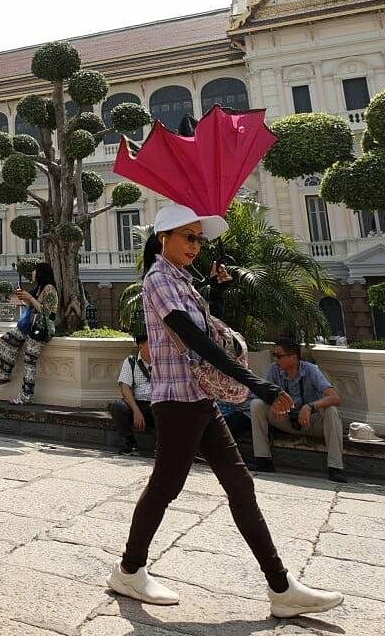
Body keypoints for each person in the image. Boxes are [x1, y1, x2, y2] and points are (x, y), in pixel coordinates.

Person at [107, 204, 343, 619]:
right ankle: (129, 569)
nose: (195, 246)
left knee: (239, 484)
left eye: (199, 238)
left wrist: (214, 291)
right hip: (178, 401)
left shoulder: (183, 281)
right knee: (166, 487)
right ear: (164, 238)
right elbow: (194, 340)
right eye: (188, 237)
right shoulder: (159, 279)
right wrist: (258, 384)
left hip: (199, 398)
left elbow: (204, 327)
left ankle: (280, 586)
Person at [251, 338, 346, 483]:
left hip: (310, 422)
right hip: (286, 419)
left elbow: (335, 398)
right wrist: (274, 403)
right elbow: (264, 394)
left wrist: (310, 407)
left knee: (331, 411)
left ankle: (336, 467)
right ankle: (263, 459)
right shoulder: (273, 369)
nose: (275, 359)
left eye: (279, 356)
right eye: (273, 356)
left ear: (293, 357)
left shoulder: (311, 370)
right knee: (257, 404)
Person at [0, 263, 58, 404]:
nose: (32, 273)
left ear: (41, 273)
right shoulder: (39, 288)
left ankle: (26, 396)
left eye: (35, 270)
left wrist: (30, 298)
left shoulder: (50, 288)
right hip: (29, 326)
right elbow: (32, 307)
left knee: (29, 361)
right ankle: (3, 375)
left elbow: (47, 312)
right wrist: (24, 298)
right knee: (7, 339)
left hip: (41, 329)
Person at [108, 332, 153, 454]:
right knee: (117, 406)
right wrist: (136, 411)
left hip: (156, 404)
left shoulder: (164, 363)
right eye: (151, 344)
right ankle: (129, 442)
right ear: (141, 347)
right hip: (138, 403)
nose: (156, 347)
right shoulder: (130, 361)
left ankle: (162, 447)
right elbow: (125, 387)